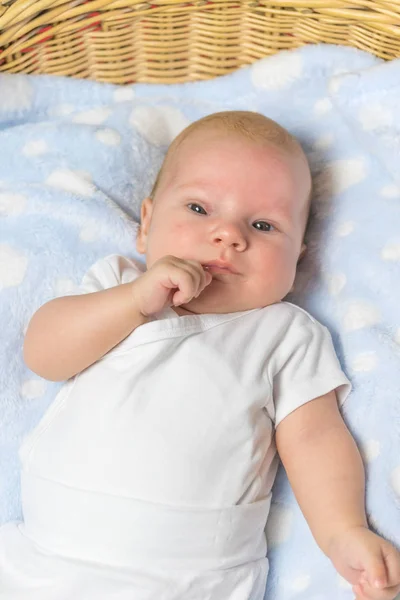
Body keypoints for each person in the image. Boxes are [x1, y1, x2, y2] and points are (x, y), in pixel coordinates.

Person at [0, 111, 399, 600]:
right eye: (198, 208)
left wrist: (343, 532)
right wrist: (133, 302)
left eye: (263, 224)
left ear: (298, 257)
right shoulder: (117, 285)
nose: (229, 235)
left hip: (194, 578)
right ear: (146, 225)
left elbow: (315, 439)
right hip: (47, 560)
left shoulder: (284, 333)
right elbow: (44, 354)